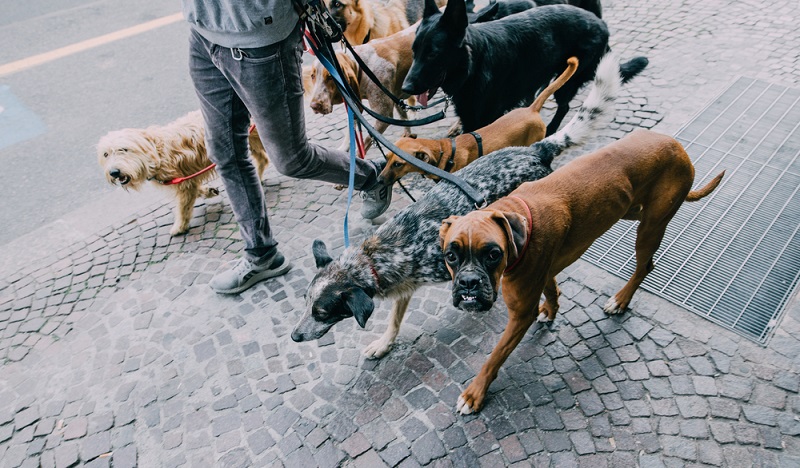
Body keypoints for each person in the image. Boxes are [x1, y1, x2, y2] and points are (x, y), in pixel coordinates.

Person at [181, 1, 393, 294]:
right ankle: (261, 254)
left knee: (292, 159)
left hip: (261, 40)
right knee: (224, 151)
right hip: (203, 31)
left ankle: (371, 177)